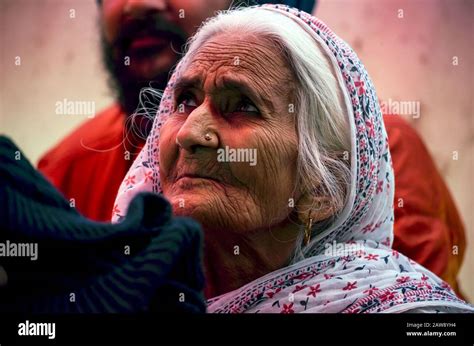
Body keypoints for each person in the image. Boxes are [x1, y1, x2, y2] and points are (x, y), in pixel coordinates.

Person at [36, 0, 466, 297]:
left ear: (325, 186)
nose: (138, 4)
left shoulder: (370, 158)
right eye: (184, 100)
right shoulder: (67, 167)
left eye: (241, 105)